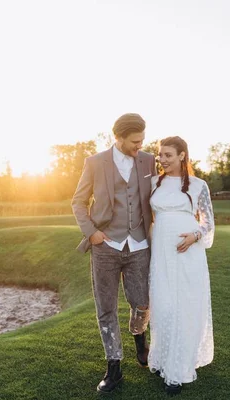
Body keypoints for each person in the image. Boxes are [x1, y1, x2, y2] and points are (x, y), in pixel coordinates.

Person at [71, 113, 157, 393]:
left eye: (142, 140)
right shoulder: (95, 163)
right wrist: (91, 232)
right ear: (118, 138)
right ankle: (114, 366)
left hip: (140, 245)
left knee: (142, 302)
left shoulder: (148, 161)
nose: (139, 146)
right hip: (106, 246)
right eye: (135, 141)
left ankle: (139, 336)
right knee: (105, 307)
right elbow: (78, 201)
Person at [148, 136, 215, 395]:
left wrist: (195, 236)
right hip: (161, 253)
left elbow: (208, 221)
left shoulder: (199, 185)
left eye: (168, 155)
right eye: (160, 155)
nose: (162, 160)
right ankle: (162, 358)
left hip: (189, 252)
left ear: (182, 155)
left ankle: (176, 371)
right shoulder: (154, 183)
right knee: (164, 304)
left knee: (184, 306)